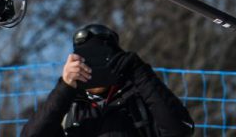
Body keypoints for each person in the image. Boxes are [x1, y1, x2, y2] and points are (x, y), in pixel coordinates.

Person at [21, 24, 194, 136]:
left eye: (101, 60)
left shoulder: (139, 100)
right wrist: (65, 86)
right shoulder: (68, 108)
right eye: (87, 61)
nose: (94, 68)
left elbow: (181, 128)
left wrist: (139, 72)